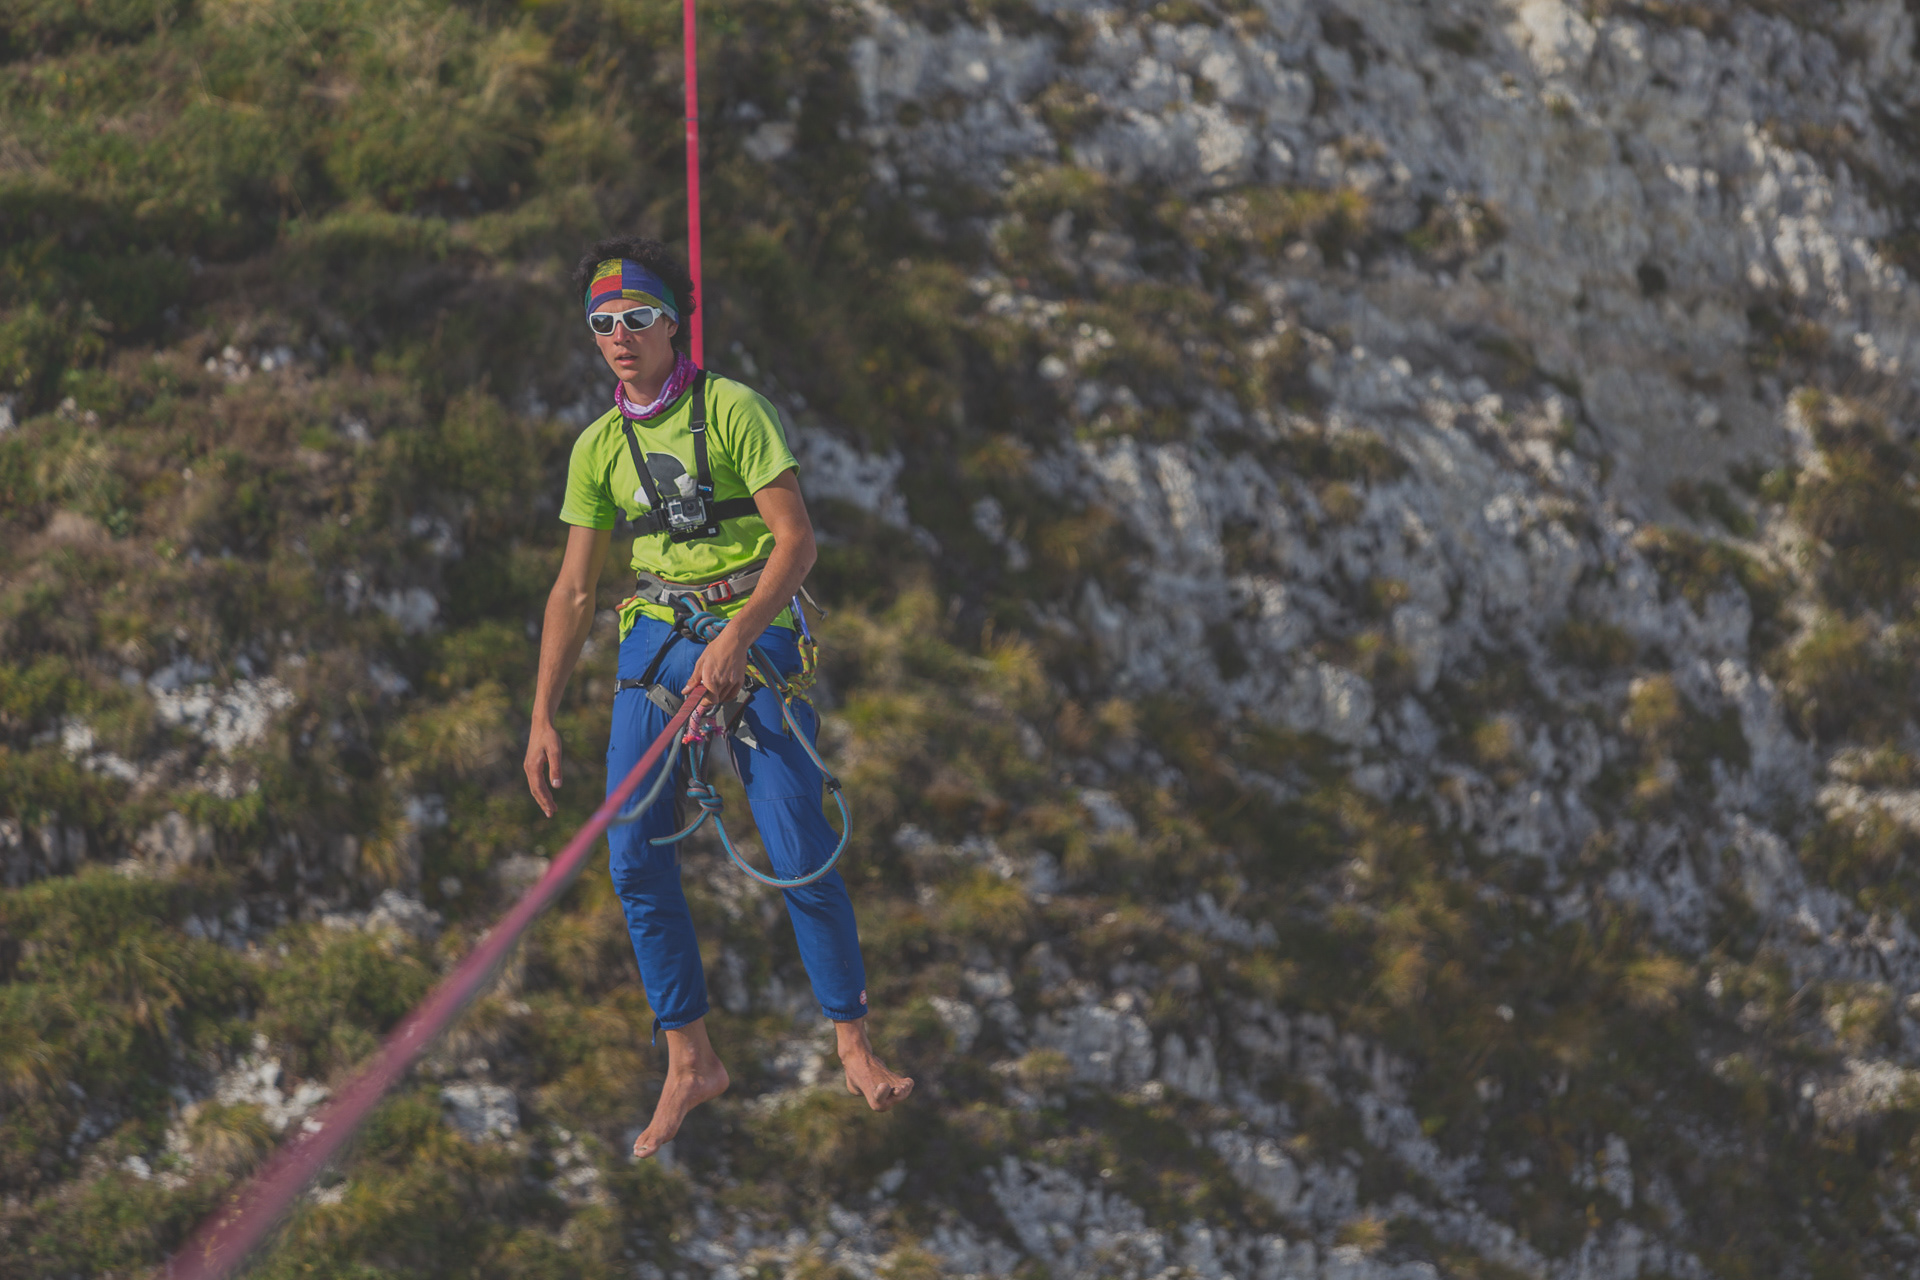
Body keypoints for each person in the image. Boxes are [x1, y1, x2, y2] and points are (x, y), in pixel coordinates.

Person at [523, 237, 912, 1158]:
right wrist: (541, 715)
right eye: (602, 323)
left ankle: (853, 1044)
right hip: (657, 636)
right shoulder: (597, 448)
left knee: (794, 832)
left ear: (672, 324)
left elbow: (796, 541)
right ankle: (689, 1059)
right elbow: (574, 591)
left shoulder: (735, 410)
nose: (619, 336)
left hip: (753, 616)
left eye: (637, 318)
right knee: (632, 856)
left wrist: (737, 638)